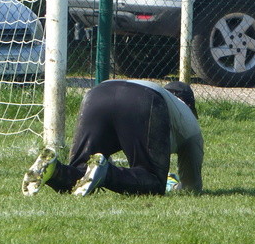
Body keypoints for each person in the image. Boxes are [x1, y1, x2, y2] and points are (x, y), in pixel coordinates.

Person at [22, 79, 203, 196]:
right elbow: (191, 188)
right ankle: (106, 172)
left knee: (81, 172)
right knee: (153, 182)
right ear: (191, 107)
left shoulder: (166, 99)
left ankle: (54, 169)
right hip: (142, 100)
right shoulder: (190, 123)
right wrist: (172, 184)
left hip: (99, 92)